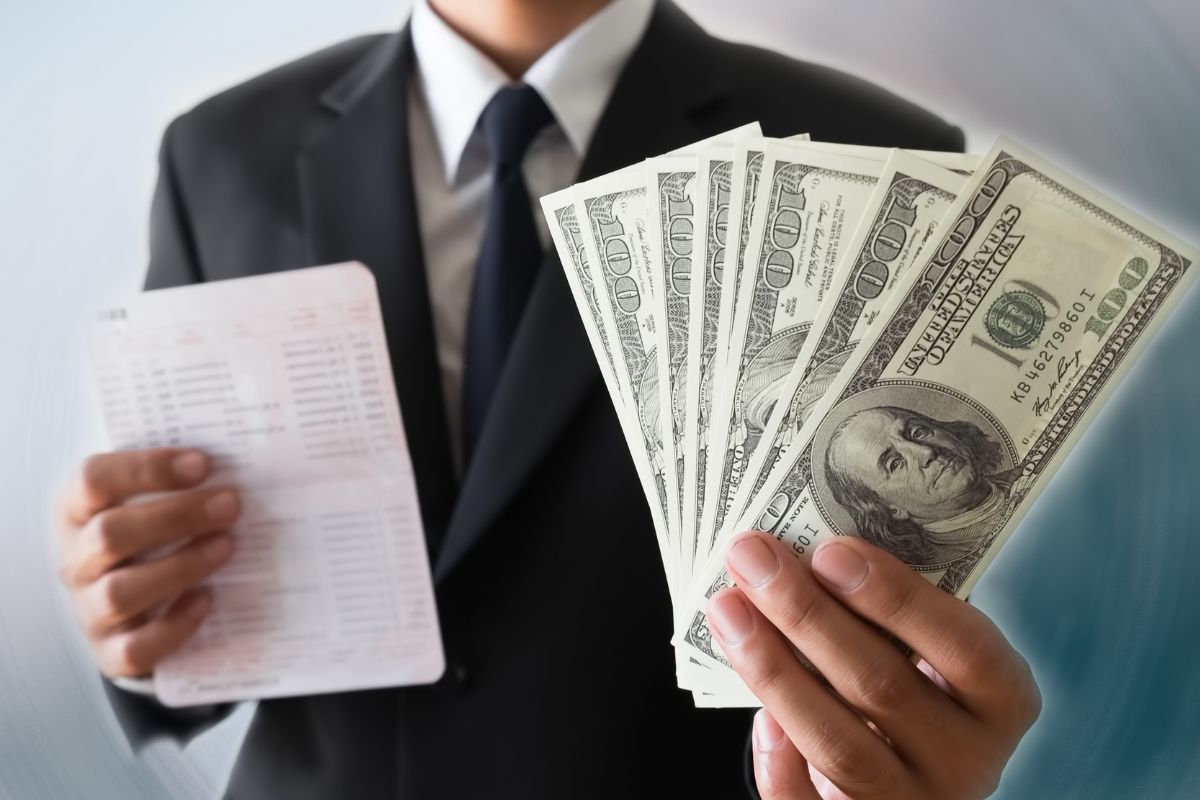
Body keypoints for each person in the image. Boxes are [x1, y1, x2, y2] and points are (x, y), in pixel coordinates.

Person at [54, 0, 1040, 797]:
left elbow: (887, 617)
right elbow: (185, 567)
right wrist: (141, 621)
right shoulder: (219, 151)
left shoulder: (874, 151)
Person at [824, 405, 1019, 567]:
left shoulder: (1030, 472)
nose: (926, 452)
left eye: (918, 432)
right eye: (895, 463)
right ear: (890, 508)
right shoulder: (944, 566)